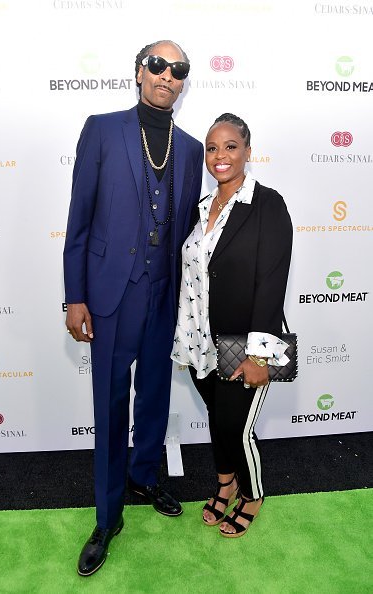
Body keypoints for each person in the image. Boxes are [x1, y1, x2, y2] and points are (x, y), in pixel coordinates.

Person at [63, 40, 203, 575]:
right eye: (158, 65)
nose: (168, 75)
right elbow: (78, 217)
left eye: (179, 70)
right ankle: (106, 514)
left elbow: (188, 229)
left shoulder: (191, 148)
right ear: (140, 72)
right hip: (109, 291)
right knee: (109, 399)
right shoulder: (102, 128)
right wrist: (74, 295)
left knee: (155, 394)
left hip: (163, 291)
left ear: (184, 81)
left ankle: (146, 475)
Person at [171, 113, 292, 537]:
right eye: (212, 148)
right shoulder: (202, 208)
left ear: (247, 151)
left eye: (230, 146)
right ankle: (226, 483)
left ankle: (253, 494)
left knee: (236, 428)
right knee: (217, 419)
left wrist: (259, 353)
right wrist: (185, 337)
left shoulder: (267, 204)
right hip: (200, 340)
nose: (220, 156)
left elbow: (271, 280)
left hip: (243, 343)